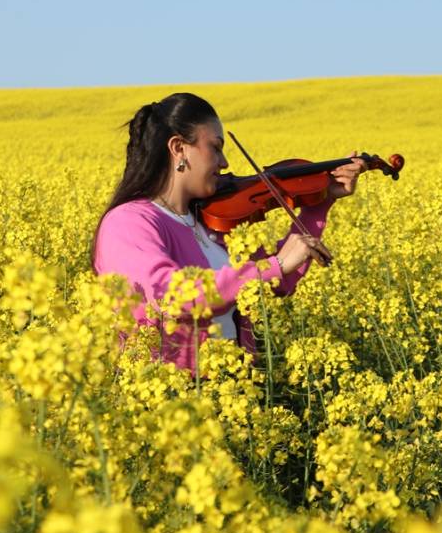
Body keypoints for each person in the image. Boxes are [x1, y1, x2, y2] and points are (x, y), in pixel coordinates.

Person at [91, 92, 363, 370]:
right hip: (171, 388)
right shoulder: (128, 222)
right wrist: (275, 265)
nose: (224, 163)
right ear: (178, 148)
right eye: (215, 148)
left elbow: (277, 282)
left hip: (235, 383)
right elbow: (170, 295)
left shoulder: (212, 221)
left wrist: (320, 203)